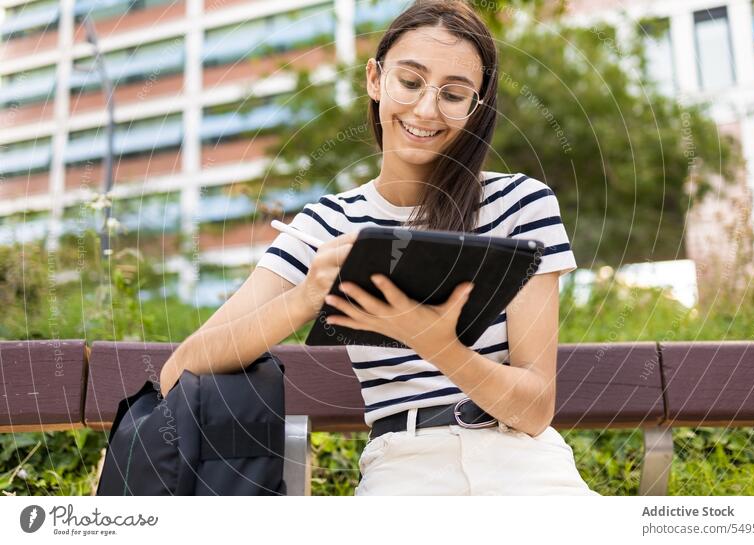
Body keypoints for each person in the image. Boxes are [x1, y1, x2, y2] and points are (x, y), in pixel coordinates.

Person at [160, 0, 600, 496]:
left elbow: (535, 409)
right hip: (403, 468)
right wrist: (306, 298)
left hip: (527, 466)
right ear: (375, 79)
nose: (426, 109)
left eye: (454, 94)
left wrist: (437, 344)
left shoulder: (522, 204)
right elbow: (183, 365)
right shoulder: (328, 224)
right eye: (409, 82)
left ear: (475, 109)